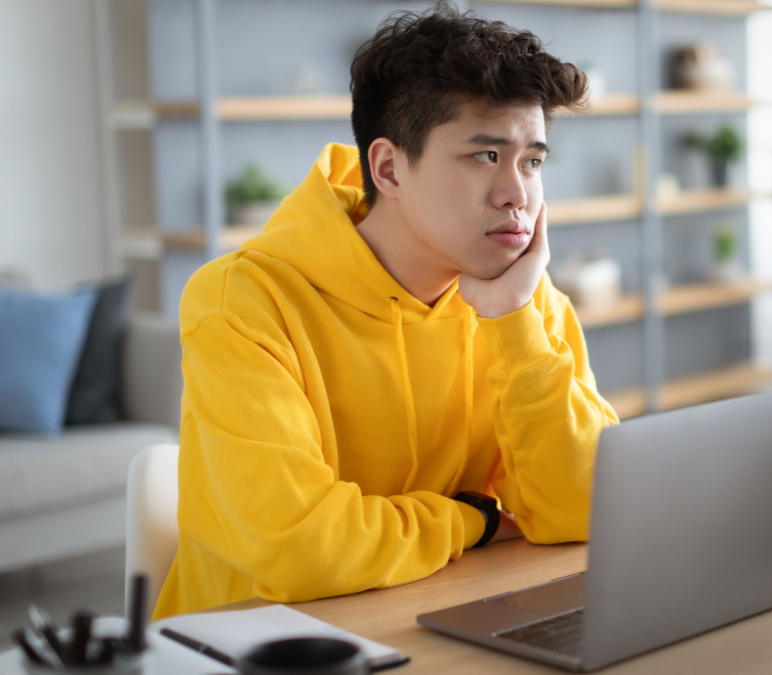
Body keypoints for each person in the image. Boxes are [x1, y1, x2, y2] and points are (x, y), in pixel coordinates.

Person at [152, 3, 618, 620]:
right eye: (486, 155)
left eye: (532, 160)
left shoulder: (521, 299)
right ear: (389, 168)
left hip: (441, 618)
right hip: (255, 643)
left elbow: (591, 508)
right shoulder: (243, 301)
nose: (518, 195)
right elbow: (302, 548)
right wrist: (471, 519)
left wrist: (515, 325)